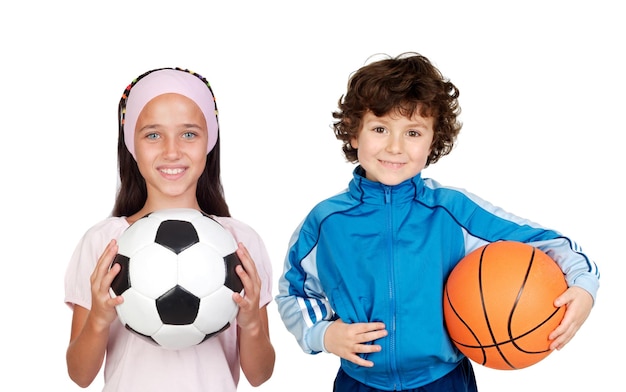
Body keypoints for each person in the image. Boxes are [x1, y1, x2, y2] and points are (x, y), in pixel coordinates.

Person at [275, 52, 599, 391]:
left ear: (433, 142)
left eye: (413, 133)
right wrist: (324, 334)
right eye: (380, 128)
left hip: (444, 381)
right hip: (359, 382)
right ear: (355, 134)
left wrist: (583, 285)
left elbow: (546, 243)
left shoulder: (453, 210)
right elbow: (294, 292)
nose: (395, 146)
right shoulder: (326, 222)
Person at [64, 67, 275, 391]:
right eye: (153, 134)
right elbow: (80, 375)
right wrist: (99, 321)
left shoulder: (240, 243)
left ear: (210, 140)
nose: (172, 151)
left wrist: (251, 326)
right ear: (131, 144)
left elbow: (260, 376)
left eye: (189, 133)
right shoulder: (103, 242)